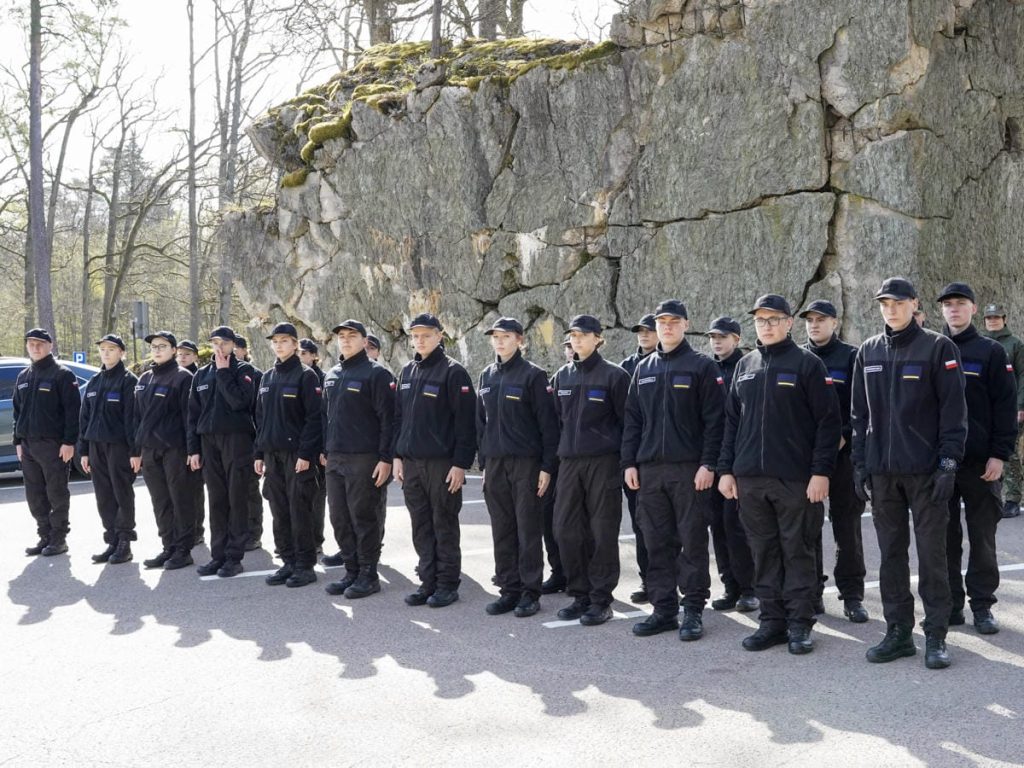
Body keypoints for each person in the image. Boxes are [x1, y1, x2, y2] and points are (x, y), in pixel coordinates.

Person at [851, 277, 967, 670]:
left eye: (898, 303)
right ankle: (899, 633)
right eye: (885, 303)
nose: (891, 309)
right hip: (883, 474)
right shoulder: (868, 351)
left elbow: (954, 412)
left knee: (932, 556)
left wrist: (948, 464)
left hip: (926, 473)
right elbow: (859, 416)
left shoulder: (938, 347)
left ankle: (936, 635)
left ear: (914, 304)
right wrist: (860, 465)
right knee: (891, 556)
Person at [718, 294, 841, 655]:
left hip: (796, 480)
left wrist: (821, 473)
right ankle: (772, 622)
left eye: (774, 319)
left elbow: (828, 423)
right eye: (761, 320)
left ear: (788, 323)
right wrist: (726, 470)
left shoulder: (808, 364)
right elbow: (731, 424)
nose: (767, 326)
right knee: (763, 552)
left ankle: (800, 624)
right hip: (750, 480)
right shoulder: (746, 365)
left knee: (797, 551)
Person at [623, 300, 725, 640]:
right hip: (650, 472)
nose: (666, 327)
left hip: (689, 471)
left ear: (685, 324)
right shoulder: (644, 369)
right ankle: (663, 609)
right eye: (661, 322)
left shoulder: (701, 367)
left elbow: (715, 421)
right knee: (655, 542)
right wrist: (629, 463)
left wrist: (708, 464)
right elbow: (632, 421)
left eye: (673, 321)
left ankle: (693, 609)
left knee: (692, 541)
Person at [938, 284, 1016, 634]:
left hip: (981, 463)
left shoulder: (991, 352)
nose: (954, 309)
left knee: (982, 539)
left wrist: (999, 455)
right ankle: (951, 605)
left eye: (960, 303)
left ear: (973, 309)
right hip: (941, 464)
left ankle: (982, 606)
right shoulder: (931, 348)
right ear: (941, 310)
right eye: (948, 304)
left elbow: (1005, 407)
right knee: (944, 538)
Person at [477, 317, 559, 618]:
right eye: (495, 337)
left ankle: (529, 592)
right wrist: (484, 463)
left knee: (527, 530)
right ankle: (508, 589)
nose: (499, 342)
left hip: (526, 464)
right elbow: (480, 423)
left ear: (520, 340)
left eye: (506, 336)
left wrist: (547, 467)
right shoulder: (486, 375)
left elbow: (548, 426)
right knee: (502, 529)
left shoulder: (533, 376)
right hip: (495, 464)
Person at [392, 313, 476, 608]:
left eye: (426, 335)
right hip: (412, 463)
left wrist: (460, 464)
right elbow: (399, 419)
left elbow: (466, 423)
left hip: (442, 464)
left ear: (440, 336)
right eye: (415, 336)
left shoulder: (453, 373)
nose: (420, 340)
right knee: (421, 525)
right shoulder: (406, 372)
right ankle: (427, 582)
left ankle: (447, 584)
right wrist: (397, 456)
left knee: (444, 524)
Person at [550, 314, 630, 626]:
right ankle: (580, 593)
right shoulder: (562, 376)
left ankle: (600, 599)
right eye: (573, 335)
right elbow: (557, 421)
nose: (577, 340)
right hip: (569, 464)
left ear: (598, 338)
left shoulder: (615, 376)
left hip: (603, 463)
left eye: (583, 335)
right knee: (566, 530)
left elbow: (628, 424)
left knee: (602, 531)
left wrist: (625, 463)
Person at [799, 300, 869, 623]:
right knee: (808, 527)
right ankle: (813, 592)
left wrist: (844, 437)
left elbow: (862, 408)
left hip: (843, 456)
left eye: (821, 319)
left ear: (835, 323)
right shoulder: (798, 357)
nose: (814, 325)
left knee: (847, 527)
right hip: (806, 458)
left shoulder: (851, 357)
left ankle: (852, 595)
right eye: (810, 320)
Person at [322, 320, 395, 599]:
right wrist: (324, 449)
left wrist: (386, 458)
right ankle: (351, 571)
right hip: (335, 458)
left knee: (363, 517)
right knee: (339, 518)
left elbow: (389, 420)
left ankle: (368, 575)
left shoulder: (377, 374)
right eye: (341, 336)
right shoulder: (333, 374)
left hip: (364, 458)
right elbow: (324, 416)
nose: (345, 340)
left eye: (352, 335)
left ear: (365, 341)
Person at [255, 323, 323, 588]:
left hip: (297, 455)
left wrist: (306, 453)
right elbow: (260, 419)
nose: (279, 345)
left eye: (284, 341)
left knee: (299, 510)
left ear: (295, 344)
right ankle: (288, 561)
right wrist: (259, 453)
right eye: (275, 341)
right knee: (279, 511)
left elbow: (314, 419)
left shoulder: (306, 376)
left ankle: (305, 565)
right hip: (272, 455)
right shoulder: (267, 377)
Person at [187, 326, 258, 578]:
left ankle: (234, 557)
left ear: (233, 345)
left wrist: (224, 372)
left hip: (236, 440)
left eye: (224, 343)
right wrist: (193, 449)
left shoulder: (244, 371)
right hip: (209, 441)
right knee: (216, 499)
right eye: (215, 343)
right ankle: (218, 555)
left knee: (236, 498)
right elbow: (193, 415)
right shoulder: (201, 375)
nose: (219, 348)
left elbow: (240, 402)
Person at [705, 316, 757, 613]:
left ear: (736, 339)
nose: (717, 341)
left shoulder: (747, 367)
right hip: (711, 460)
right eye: (713, 337)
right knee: (718, 527)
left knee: (738, 527)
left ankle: (750, 588)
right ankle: (730, 586)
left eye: (722, 337)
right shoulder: (707, 369)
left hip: (738, 460)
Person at [14, 329, 81, 557]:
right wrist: (17, 441)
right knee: (34, 495)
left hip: (53, 445)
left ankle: (59, 538)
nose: (35, 347)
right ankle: (44, 536)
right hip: (28, 445)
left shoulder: (62, 374)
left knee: (56, 492)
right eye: (31, 343)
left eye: (40, 343)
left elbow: (72, 411)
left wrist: (69, 442)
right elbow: (17, 412)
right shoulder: (23, 376)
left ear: (50, 345)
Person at [135, 331, 196, 570]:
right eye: (154, 347)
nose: (157, 350)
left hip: (175, 449)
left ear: (173, 350)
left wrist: (192, 450)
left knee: (180, 499)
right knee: (160, 501)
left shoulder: (182, 377)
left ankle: (183, 549)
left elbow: (189, 417)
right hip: (150, 450)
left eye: (162, 346)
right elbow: (137, 417)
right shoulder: (145, 378)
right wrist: (136, 449)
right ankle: (168, 546)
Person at [78, 334, 139, 565]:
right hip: (96, 446)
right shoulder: (94, 381)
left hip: (119, 446)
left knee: (121, 493)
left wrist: (135, 451)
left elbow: (132, 419)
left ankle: (124, 541)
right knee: (104, 495)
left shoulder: (128, 381)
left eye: (111, 349)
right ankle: (112, 540)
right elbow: (84, 418)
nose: (106, 353)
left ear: (121, 353)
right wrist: (84, 450)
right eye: (103, 349)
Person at [619, 313, 657, 603]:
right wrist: (627, 461)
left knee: (673, 529)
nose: (644, 334)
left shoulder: (677, 364)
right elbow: (625, 419)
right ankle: (648, 581)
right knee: (641, 525)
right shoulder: (627, 368)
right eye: (640, 330)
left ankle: (674, 583)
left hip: (666, 460)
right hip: (637, 458)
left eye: (649, 330)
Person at [539, 336, 575, 595]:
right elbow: (548, 422)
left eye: (575, 344)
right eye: (568, 346)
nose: (571, 350)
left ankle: (581, 574)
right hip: (557, 460)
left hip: (583, 461)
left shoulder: (605, 375)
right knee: (550, 520)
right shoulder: (559, 378)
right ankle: (559, 571)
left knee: (579, 524)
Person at [982, 303, 1024, 518]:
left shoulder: (1015, 344)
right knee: (986, 451)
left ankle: (1013, 499)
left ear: (1004, 319)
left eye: (996, 317)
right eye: (989, 318)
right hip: (986, 409)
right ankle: (992, 495)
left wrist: (1020, 406)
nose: (993, 321)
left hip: (1009, 408)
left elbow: (1022, 376)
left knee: (1010, 453)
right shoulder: (981, 343)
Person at [233, 333, 265, 549]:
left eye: (236, 347)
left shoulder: (256, 375)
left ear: (244, 351)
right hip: (230, 442)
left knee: (250, 489)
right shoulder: (219, 373)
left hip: (250, 440)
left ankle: (254, 533)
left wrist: (259, 447)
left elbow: (259, 412)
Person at [299, 338, 328, 554]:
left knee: (316, 496)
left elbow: (323, 418)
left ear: (314, 356)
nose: (300, 357)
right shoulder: (295, 376)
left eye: (303, 353)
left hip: (317, 448)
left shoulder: (323, 379)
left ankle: (316, 540)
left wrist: (323, 449)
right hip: (298, 446)